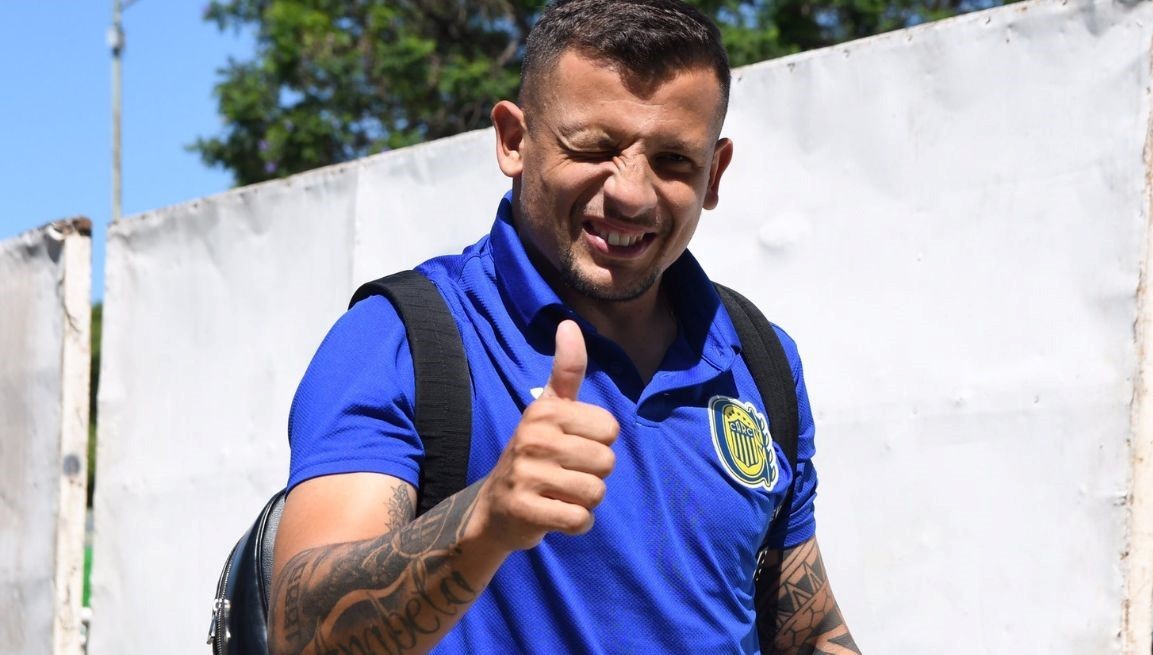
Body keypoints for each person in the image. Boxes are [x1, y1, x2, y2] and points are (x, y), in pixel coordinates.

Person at [268, 1, 859, 653]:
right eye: (594, 148)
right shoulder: (400, 339)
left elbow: (808, 634)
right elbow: (300, 632)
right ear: (513, 141)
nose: (631, 192)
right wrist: (483, 520)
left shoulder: (760, 358)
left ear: (714, 174)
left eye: (672, 160)